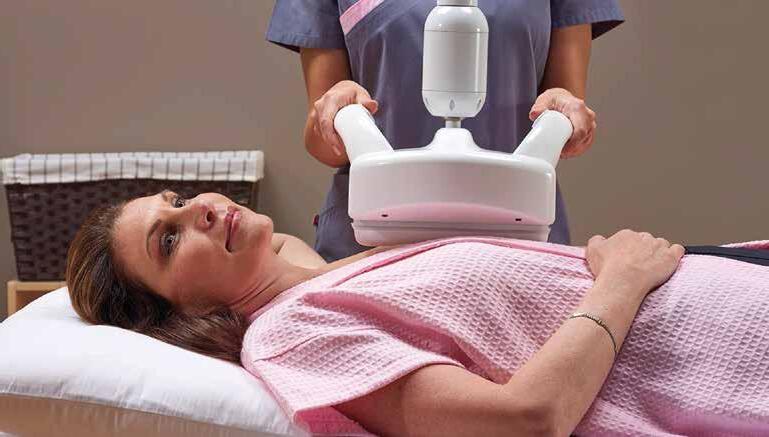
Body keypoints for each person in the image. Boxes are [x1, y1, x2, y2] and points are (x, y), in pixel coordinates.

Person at [67, 191, 769, 436]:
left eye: (177, 198)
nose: (199, 208)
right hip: (730, 362)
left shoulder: (305, 277)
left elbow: (285, 251)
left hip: (726, 287)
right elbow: (523, 420)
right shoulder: (286, 336)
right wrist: (622, 279)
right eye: (168, 240)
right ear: (179, 316)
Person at [265, 0, 625, 262]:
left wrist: (564, 112)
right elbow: (323, 142)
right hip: (374, 245)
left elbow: (566, 102)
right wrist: (340, 111)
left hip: (516, 238)